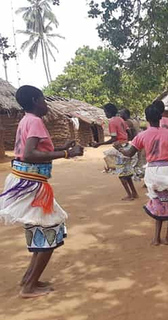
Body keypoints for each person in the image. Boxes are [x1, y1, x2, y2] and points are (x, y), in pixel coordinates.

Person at [0, 85, 84, 298]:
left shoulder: (26, 120)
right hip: (32, 183)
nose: (46, 104)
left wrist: (61, 147)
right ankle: (29, 286)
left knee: (40, 228)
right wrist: (66, 153)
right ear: (36, 100)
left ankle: (29, 279)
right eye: (44, 99)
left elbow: (36, 150)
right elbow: (29, 154)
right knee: (51, 230)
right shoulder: (35, 121)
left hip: (26, 181)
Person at [115, 103, 168, 245]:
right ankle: (167, 237)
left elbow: (129, 153)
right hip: (166, 171)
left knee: (157, 204)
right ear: (161, 117)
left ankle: (156, 238)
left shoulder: (142, 135)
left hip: (151, 172)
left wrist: (119, 148)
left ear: (147, 118)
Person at [92, 103, 139, 201]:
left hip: (120, 148)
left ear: (109, 112)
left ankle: (129, 195)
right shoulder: (121, 119)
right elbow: (129, 132)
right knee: (127, 172)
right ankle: (134, 193)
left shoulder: (112, 122)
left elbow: (113, 138)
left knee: (121, 174)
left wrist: (99, 143)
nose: (105, 114)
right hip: (126, 146)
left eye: (105, 112)